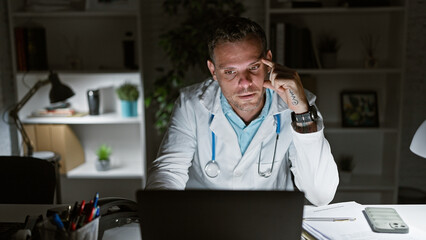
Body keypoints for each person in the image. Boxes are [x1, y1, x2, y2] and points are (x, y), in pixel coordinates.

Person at [146, 16, 339, 206]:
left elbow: (320, 196)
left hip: (271, 223)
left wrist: (301, 113)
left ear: (268, 61)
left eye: (253, 67)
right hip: (206, 223)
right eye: (230, 72)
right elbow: (168, 172)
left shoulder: (298, 104)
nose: (245, 83)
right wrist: (162, 215)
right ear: (213, 71)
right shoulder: (191, 105)